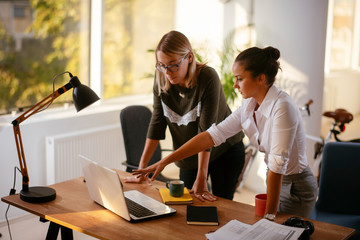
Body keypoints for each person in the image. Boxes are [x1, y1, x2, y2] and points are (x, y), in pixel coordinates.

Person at [133, 46, 318, 219]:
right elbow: (212, 135)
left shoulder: (282, 107)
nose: (235, 85)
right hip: (277, 183)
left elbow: (277, 169)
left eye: (240, 78)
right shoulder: (249, 104)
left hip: (296, 188)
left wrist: (268, 220)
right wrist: (165, 161)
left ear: (261, 78)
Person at [124, 30, 245, 201]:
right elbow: (157, 123)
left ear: (189, 57)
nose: (167, 71)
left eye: (173, 64)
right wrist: (141, 169)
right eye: (161, 65)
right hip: (189, 155)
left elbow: (207, 131)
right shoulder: (161, 78)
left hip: (226, 151)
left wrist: (202, 176)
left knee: (220, 205)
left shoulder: (207, 78)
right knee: (188, 204)